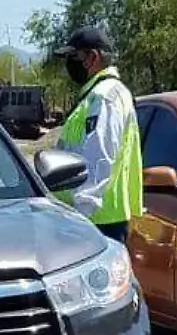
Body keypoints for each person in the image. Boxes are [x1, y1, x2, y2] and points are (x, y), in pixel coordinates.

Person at [50, 26, 142, 242]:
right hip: (92, 219)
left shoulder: (104, 97)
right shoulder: (94, 96)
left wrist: (80, 218)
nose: (68, 66)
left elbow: (99, 158)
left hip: (96, 222)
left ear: (92, 57)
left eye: (73, 57)